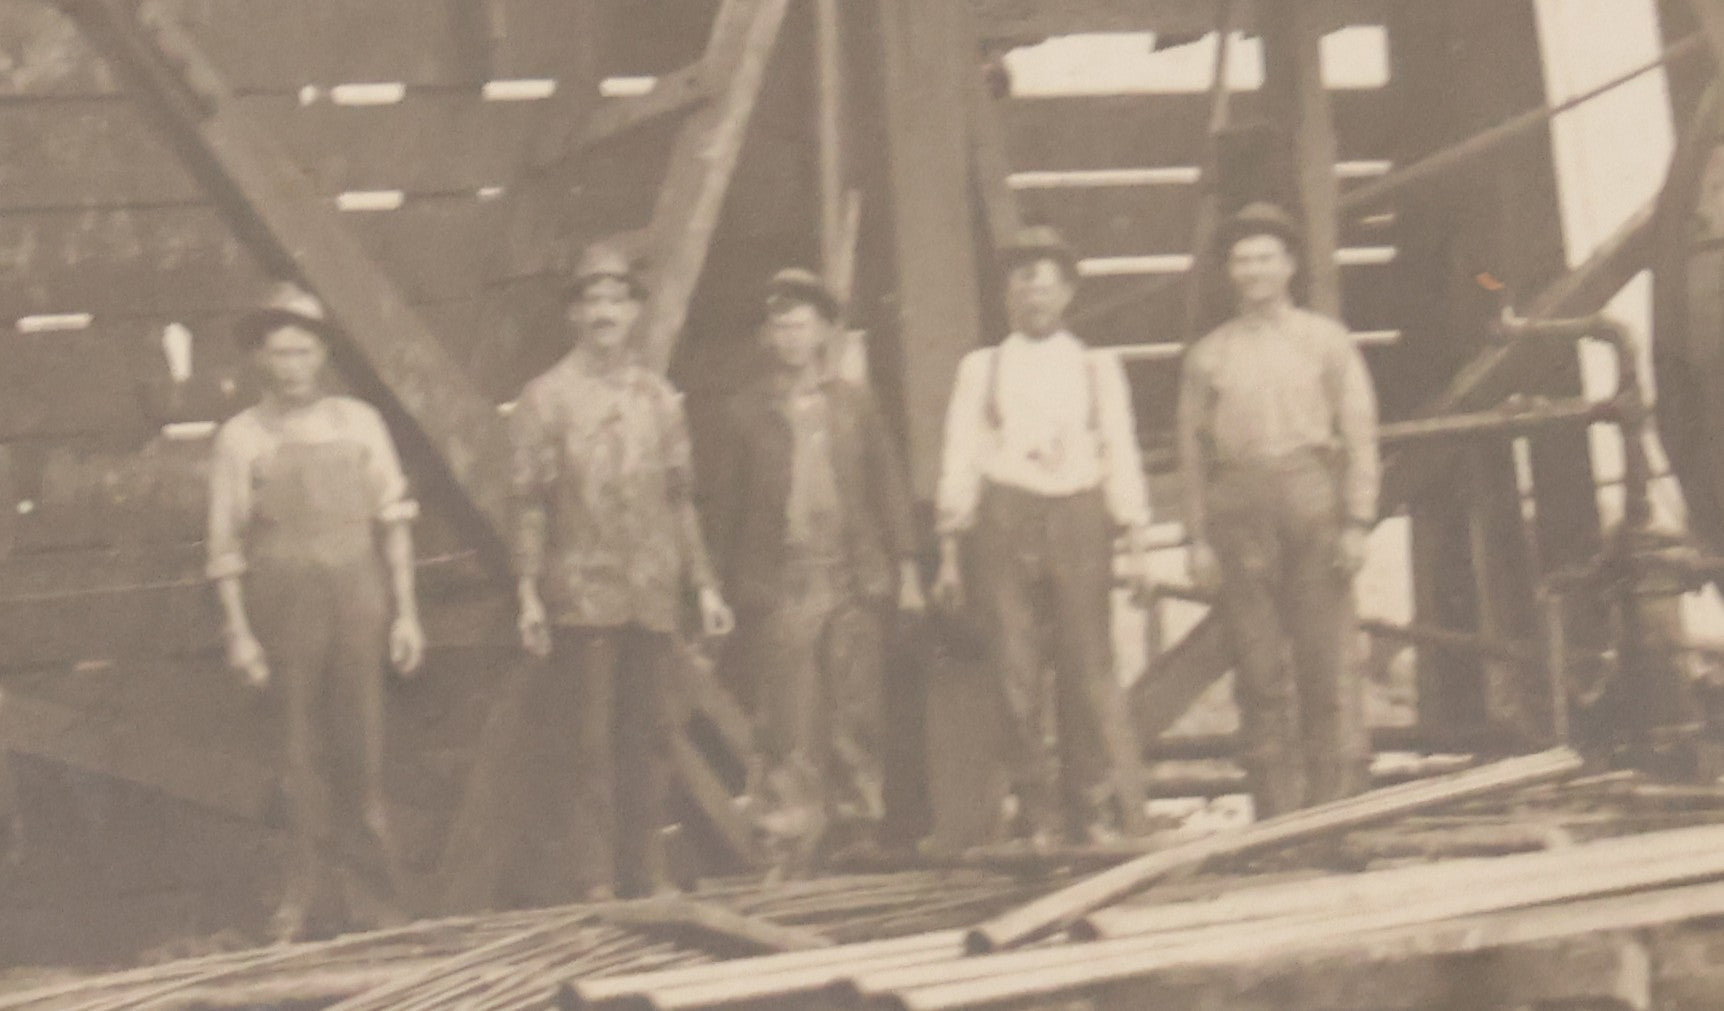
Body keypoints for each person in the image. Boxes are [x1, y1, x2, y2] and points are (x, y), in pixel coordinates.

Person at [509, 243, 734, 901]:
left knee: (651, 735)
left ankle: (645, 868)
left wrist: (706, 585)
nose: (604, 313)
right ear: (574, 313)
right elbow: (528, 505)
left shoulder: (658, 398)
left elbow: (680, 498)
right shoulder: (545, 398)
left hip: (651, 591)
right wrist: (527, 591)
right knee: (586, 743)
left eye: (617, 300)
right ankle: (594, 875)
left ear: (634, 311)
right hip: (580, 593)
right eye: (592, 300)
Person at [207, 282, 425, 942]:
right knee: (294, 755)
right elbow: (224, 549)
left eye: (303, 351)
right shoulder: (240, 438)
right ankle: (297, 900)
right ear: (260, 360)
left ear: (322, 354)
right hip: (283, 607)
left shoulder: (360, 423)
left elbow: (394, 522)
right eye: (279, 353)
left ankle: (377, 903)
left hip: (360, 600)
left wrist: (407, 613)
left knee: (362, 749)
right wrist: (240, 632)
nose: (292, 365)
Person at [932, 226, 1152, 846]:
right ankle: (1037, 810)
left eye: (1046, 286)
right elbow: (960, 455)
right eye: (1021, 285)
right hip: (1004, 519)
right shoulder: (982, 368)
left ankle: (1091, 804)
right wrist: (950, 548)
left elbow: (1120, 450)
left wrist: (1134, 538)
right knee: (1014, 669)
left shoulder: (1096, 367)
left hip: (1078, 517)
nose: (1033, 298)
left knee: (1086, 666)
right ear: (1007, 296)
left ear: (1068, 295)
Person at [711, 268, 922, 871]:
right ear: (767, 336)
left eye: (801, 324)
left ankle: (858, 833)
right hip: (783, 583)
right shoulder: (745, 413)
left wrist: (905, 569)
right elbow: (726, 509)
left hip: (852, 576)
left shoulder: (854, 405)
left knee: (857, 709)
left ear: (825, 332)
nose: (791, 337)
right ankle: (788, 840)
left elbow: (888, 490)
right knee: (789, 717)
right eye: (780, 326)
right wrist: (719, 589)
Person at [1177, 202, 1381, 818]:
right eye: (1242, 260)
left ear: (1289, 265)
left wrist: (1358, 520)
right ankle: (1275, 812)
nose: (1254, 270)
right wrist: (1196, 538)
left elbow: (1361, 432)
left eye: (1266, 257)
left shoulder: (1326, 340)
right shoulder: (1208, 356)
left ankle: (1334, 810)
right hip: (1238, 504)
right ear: (1229, 273)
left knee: (1324, 661)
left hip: (1310, 496)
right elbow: (1191, 452)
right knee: (1258, 664)